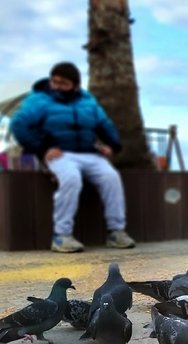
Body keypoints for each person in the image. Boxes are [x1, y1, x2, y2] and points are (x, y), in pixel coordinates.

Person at [10, 61, 136, 252]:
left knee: (111, 178)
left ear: (75, 86)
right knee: (71, 178)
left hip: (88, 153)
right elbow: (19, 124)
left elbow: (104, 124)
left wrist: (112, 145)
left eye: (63, 83)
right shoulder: (39, 99)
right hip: (58, 154)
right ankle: (61, 236)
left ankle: (116, 232)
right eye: (54, 81)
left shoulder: (87, 101)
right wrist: (43, 148)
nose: (57, 86)